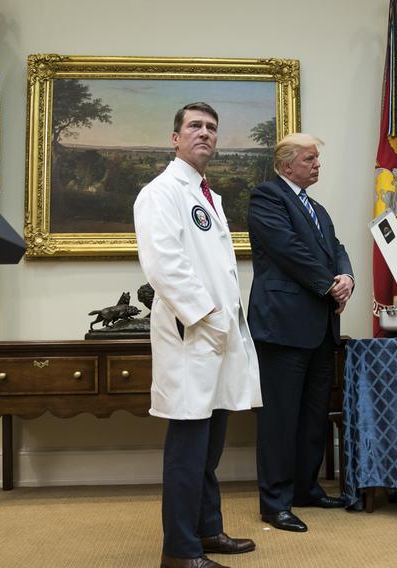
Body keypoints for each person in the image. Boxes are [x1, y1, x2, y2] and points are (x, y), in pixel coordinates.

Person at [134, 102, 262, 568]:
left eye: (211, 127)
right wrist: (208, 315)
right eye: (194, 126)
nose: (204, 133)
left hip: (217, 335)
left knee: (210, 447)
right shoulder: (160, 192)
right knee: (188, 448)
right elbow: (164, 265)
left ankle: (208, 531)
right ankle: (180, 551)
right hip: (193, 334)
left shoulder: (210, 196)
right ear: (175, 137)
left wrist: (223, 322)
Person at [247, 133, 354, 532]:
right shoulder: (266, 198)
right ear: (287, 164)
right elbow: (289, 249)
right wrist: (330, 283)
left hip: (321, 327)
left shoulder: (318, 209)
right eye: (310, 159)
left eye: (317, 159)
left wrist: (347, 277)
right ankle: (275, 502)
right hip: (283, 325)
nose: (317, 165)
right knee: (279, 417)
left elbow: (337, 247)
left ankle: (306, 488)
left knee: (312, 415)